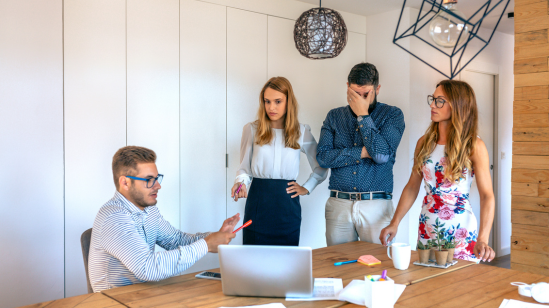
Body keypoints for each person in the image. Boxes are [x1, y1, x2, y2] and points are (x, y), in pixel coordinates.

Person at [89, 146, 240, 292]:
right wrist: (206, 245)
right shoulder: (113, 217)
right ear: (125, 182)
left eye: (157, 178)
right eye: (149, 180)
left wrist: (214, 237)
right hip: (115, 301)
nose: (158, 186)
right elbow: (147, 268)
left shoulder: (149, 210)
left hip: (145, 295)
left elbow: (176, 240)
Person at [379, 80, 496, 262]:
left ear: (458, 105)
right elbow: (412, 187)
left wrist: (483, 238)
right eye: (433, 99)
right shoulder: (424, 143)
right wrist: (395, 223)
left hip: (461, 232)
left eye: (440, 101)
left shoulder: (474, 145)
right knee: (428, 286)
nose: (433, 105)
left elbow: (487, 195)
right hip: (428, 229)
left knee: (459, 288)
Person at [231, 76, 328, 246]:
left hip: (287, 205)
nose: (271, 107)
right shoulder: (252, 129)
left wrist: (307, 187)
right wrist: (240, 183)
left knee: (286, 263)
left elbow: (321, 167)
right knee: (253, 261)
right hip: (258, 201)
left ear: (288, 102)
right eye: (267, 101)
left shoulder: (301, 131)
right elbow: (244, 169)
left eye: (277, 101)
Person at [317, 63, 405, 246]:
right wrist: (363, 152)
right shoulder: (334, 116)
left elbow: (381, 155)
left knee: (377, 266)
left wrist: (363, 115)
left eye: (366, 94)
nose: (360, 99)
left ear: (377, 89)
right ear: (347, 87)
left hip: (377, 206)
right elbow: (323, 157)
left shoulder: (392, 115)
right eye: (355, 93)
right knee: (338, 265)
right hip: (339, 204)